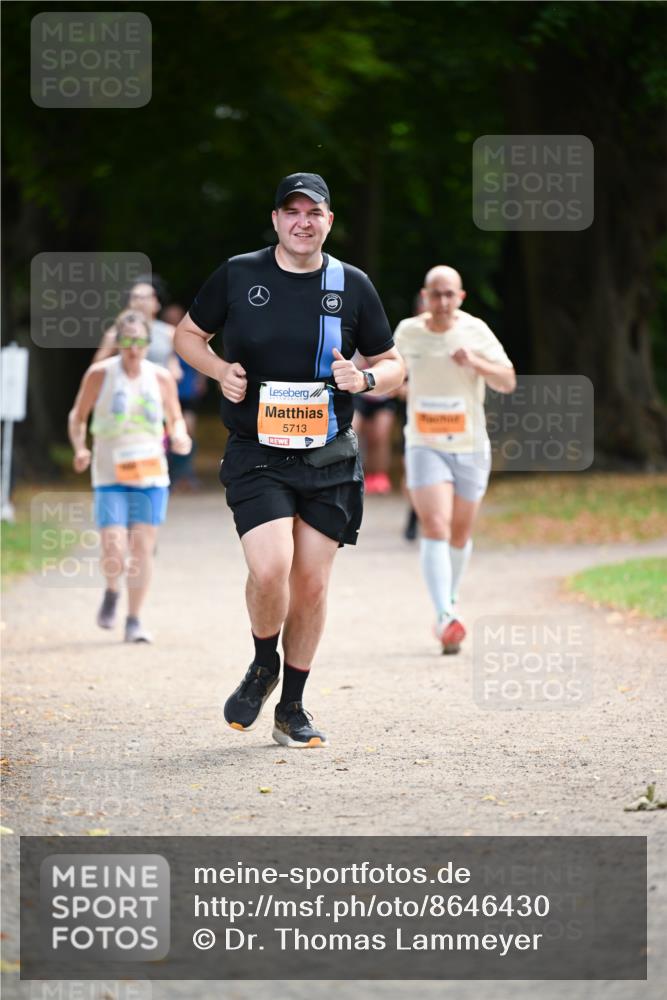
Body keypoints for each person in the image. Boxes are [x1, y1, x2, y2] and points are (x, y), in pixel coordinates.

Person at [174, 172, 404, 747]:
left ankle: (292, 708)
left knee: (312, 585)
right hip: (258, 450)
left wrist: (365, 378)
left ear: (329, 221)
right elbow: (187, 336)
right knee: (271, 567)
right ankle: (262, 663)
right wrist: (219, 371)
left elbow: (393, 364)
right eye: (292, 212)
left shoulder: (351, 284)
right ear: (276, 219)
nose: (303, 222)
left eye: (314, 213)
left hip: (327, 454)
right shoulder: (239, 273)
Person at [394, 265, 515, 653]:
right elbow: (391, 374)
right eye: (436, 293)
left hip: (470, 445)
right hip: (424, 443)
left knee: (460, 533)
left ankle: (450, 599)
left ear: (460, 297)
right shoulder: (408, 332)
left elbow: (507, 380)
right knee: (435, 524)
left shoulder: (476, 331)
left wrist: (475, 363)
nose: (443, 301)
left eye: (450, 294)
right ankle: (445, 615)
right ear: (425, 296)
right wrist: (387, 384)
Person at [68, 309, 192, 642]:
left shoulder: (161, 377)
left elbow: (175, 418)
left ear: (148, 343)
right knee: (114, 547)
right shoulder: (100, 374)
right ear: (118, 342)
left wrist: (180, 436)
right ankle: (112, 591)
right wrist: (80, 448)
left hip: (150, 475)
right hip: (110, 474)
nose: (133, 348)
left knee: (141, 548)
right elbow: (77, 417)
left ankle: (134, 619)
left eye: (139, 342)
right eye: (126, 341)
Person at [93, 276, 183, 383]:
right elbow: (98, 365)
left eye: (145, 297)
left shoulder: (169, 332)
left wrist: (174, 371)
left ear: (156, 303)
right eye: (135, 297)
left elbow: (171, 360)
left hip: (159, 389)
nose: (140, 302)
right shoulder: (116, 331)